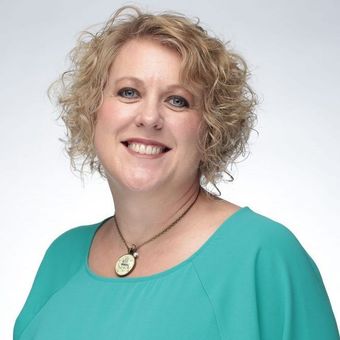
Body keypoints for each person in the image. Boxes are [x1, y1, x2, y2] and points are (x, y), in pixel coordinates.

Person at [13, 5, 339, 340]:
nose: (149, 117)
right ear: (93, 109)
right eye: (129, 92)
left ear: (211, 127)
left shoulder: (263, 255)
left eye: (177, 100)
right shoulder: (62, 258)